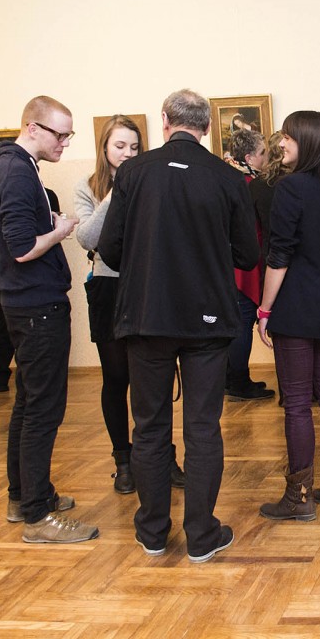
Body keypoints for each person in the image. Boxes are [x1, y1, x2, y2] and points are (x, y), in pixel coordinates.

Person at [98, 89, 258, 562]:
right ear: (207, 127)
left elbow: (110, 249)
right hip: (207, 319)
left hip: (147, 316)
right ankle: (202, 535)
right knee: (203, 427)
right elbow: (248, 254)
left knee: (149, 426)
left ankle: (152, 532)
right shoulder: (227, 177)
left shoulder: (133, 173)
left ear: (165, 120)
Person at [0, 95, 98, 544]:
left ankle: (25, 497)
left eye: (69, 135)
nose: (65, 143)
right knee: (42, 410)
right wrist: (61, 229)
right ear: (32, 128)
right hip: (36, 306)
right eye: (60, 135)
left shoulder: (13, 166)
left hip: (25, 303)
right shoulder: (15, 171)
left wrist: (46, 222)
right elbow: (21, 248)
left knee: (29, 403)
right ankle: (37, 517)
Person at [73, 115, 188, 494]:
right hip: (108, 287)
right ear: (104, 147)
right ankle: (123, 461)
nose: (127, 153)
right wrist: (116, 192)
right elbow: (87, 238)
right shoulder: (88, 187)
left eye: (135, 147)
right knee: (116, 377)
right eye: (120, 146)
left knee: (154, 379)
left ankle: (162, 457)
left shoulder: (152, 181)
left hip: (148, 287)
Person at [256, 110, 320, 522]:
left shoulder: (290, 187)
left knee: (297, 403)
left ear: (308, 141)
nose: (281, 144)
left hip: (296, 306)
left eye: (289, 137)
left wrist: (264, 309)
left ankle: (299, 496)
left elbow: (278, 256)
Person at [0, 183, 60, 393]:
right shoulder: (9, 188)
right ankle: (2, 375)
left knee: (12, 332)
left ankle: (6, 376)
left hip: (21, 275)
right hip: (21, 274)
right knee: (9, 331)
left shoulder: (46, 195)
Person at [222, 128, 276, 401]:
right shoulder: (246, 184)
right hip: (243, 265)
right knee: (242, 323)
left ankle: (231, 379)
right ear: (249, 157)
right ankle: (239, 382)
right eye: (263, 153)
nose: (267, 157)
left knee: (236, 323)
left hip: (229, 263)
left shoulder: (227, 179)